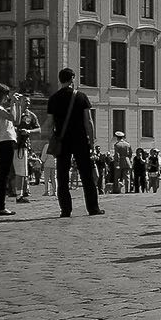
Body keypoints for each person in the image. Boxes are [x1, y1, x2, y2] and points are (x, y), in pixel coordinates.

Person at [44, 68, 102, 217]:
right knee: (86, 175)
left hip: (62, 140)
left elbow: (49, 123)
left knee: (62, 176)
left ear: (60, 80)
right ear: (72, 79)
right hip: (80, 140)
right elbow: (88, 121)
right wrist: (92, 141)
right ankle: (93, 208)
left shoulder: (54, 99)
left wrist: (52, 138)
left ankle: (65, 209)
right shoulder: (81, 97)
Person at [0, 84, 19, 216]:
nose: (7, 97)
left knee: (4, 173)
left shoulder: (2, 108)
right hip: (4, 141)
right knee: (3, 174)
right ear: (1, 94)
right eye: (6, 95)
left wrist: (17, 105)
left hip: (8, 140)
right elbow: (11, 117)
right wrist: (12, 104)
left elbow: (16, 120)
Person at [13, 94, 40, 202]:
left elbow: (38, 130)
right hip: (10, 144)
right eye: (25, 101)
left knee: (22, 171)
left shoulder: (31, 116)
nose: (28, 103)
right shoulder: (11, 110)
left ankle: (19, 194)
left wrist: (29, 131)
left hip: (22, 146)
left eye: (29, 101)